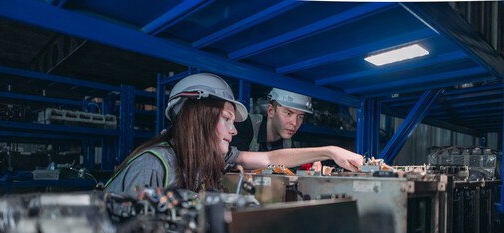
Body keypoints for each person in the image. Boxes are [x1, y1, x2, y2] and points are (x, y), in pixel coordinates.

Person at [104, 73, 363, 196]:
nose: (234, 129)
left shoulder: (212, 156)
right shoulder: (152, 165)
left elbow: (269, 159)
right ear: (200, 118)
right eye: (226, 119)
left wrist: (330, 151)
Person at [230, 88, 318, 172]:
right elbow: (232, 165)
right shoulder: (245, 124)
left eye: (300, 117)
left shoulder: (288, 144)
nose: (294, 123)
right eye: (288, 113)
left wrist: (309, 164)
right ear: (271, 110)